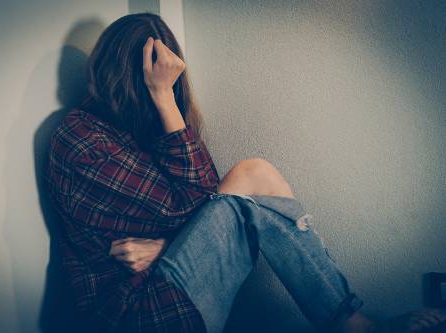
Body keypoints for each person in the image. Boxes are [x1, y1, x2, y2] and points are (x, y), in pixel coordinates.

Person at [46, 12, 446, 333]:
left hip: (166, 290)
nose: (160, 92)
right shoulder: (82, 137)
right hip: (136, 313)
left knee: (254, 180)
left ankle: (351, 322)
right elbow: (203, 203)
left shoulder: (141, 134)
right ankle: (352, 323)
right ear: (124, 76)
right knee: (252, 177)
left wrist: (166, 248)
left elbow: (216, 206)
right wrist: (165, 99)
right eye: (152, 83)